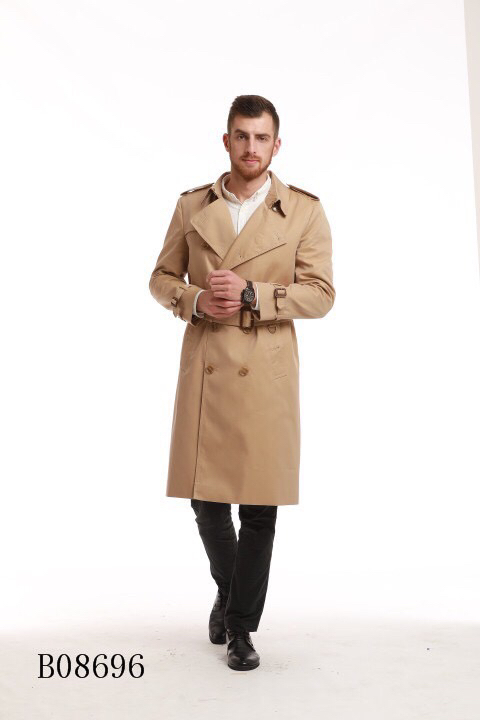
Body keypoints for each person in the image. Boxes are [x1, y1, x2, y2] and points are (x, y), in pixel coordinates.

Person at [149, 94, 335, 671]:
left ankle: (239, 627)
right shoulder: (191, 206)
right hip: (207, 360)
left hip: (265, 371)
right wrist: (194, 299)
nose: (251, 147)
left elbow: (321, 295)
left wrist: (255, 294)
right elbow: (160, 277)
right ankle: (231, 593)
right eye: (241, 136)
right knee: (206, 502)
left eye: (261, 138)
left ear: (276, 145)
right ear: (226, 141)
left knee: (258, 509)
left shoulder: (303, 211)